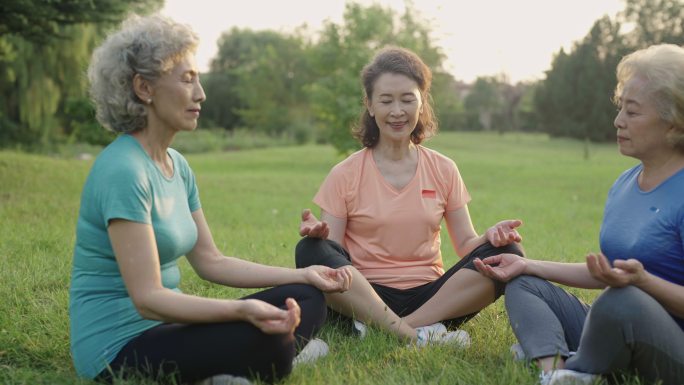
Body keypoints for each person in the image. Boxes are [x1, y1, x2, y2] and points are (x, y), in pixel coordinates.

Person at [68, 14, 352, 385]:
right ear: (144, 88)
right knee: (271, 339)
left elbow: (211, 261)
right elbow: (148, 298)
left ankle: (250, 360)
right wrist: (241, 311)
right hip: (118, 348)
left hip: (167, 326)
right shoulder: (123, 171)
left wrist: (303, 273)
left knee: (307, 297)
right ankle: (264, 357)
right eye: (187, 80)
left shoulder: (178, 166)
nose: (201, 93)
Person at [474, 43, 684, 385]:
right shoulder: (625, 183)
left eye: (633, 112)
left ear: (674, 121)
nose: (618, 121)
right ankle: (554, 371)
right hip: (617, 323)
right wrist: (527, 264)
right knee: (524, 283)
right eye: (620, 109)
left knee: (623, 301)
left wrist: (644, 283)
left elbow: (627, 287)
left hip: (673, 348)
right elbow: (607, 271)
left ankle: (581, 367)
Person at [296, 46, 524, 346]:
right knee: (309, 250)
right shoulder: (345, 173)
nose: (397, 111)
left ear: (421, 102)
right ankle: (420, 335)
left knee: (507, 254)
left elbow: (466, 245)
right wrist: (320, 239)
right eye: (386, 100)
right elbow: (334, 256)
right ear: (370, 105)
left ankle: (389, 328)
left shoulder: (443, 168)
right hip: (366, 295)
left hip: (432, 297)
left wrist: (491, 237)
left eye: (407, 99)